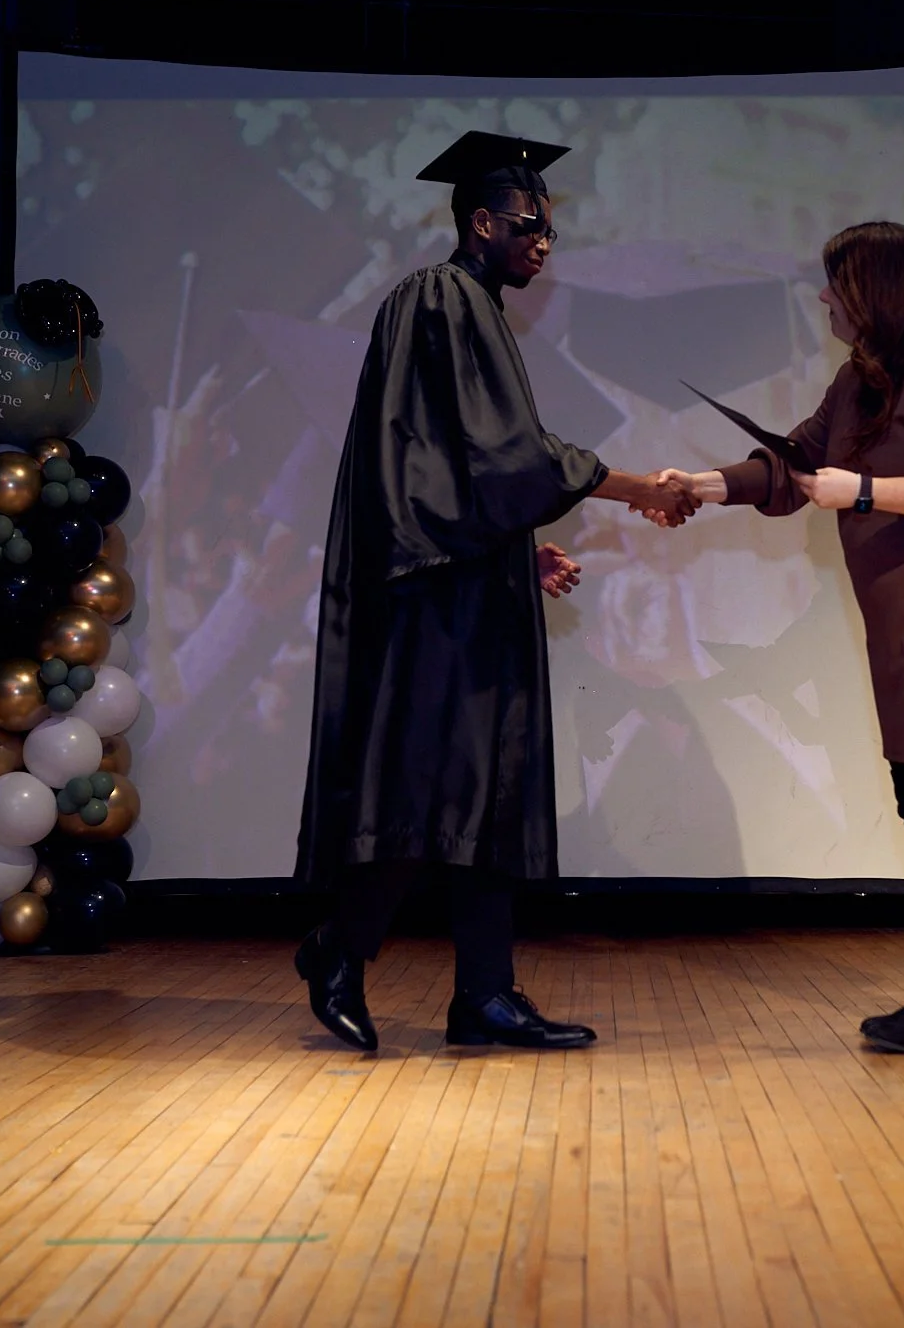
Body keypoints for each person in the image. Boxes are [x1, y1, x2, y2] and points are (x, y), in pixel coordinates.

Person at [293, 131, 697, 1052]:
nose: (543, 243)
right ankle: (339, 951)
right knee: (423, 784)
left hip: (470, 585)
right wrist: (638, 488)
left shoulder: (465, 305)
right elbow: (505, 453)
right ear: (479, 221)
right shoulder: (442, 295)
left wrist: (521, 550)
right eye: (527, 225)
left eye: (550, 231)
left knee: (490, 791)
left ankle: (483, 994)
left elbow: (462, 465)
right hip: (434, 602)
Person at [657, 221, 904, 1053]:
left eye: (837, 284)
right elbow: (795, 468)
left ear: (876, 292)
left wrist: (861, 490)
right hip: (903, 614)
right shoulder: (860, 382)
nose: (824, 298)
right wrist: (706, 485)